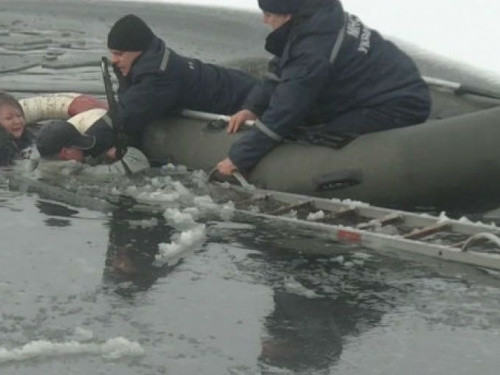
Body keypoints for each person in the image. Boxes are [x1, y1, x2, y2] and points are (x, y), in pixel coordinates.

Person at [216, 0, 431, 175]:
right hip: (389, 86)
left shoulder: (313, 50)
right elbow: (281, 67)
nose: (264, 20)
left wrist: (239, 158)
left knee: (317, 135)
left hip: (397, 104)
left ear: (287, 16)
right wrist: (253, 107)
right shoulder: (319, 15)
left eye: (269, 15)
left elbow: (287, 109)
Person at [103, 14, 258, 145]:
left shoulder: (159, 75)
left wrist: (87, 142)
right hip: (233, 82)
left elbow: (125, 119)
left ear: (138, 51)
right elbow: (128, 104)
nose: (114, 60)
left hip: (245, 93)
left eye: (119, 54)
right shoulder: (142, 65)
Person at [35, 116, 150, 179]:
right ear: (65, 152)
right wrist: (125, 151)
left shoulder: (36, 167)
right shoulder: (77, 174)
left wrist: (102, 157)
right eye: (78, 147)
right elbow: (139, 164)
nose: (84, 151)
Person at [0, 92, 36, 165]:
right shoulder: (2, 148)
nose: (17, 121)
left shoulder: (28, 138)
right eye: (9, 118)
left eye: (19, 116)